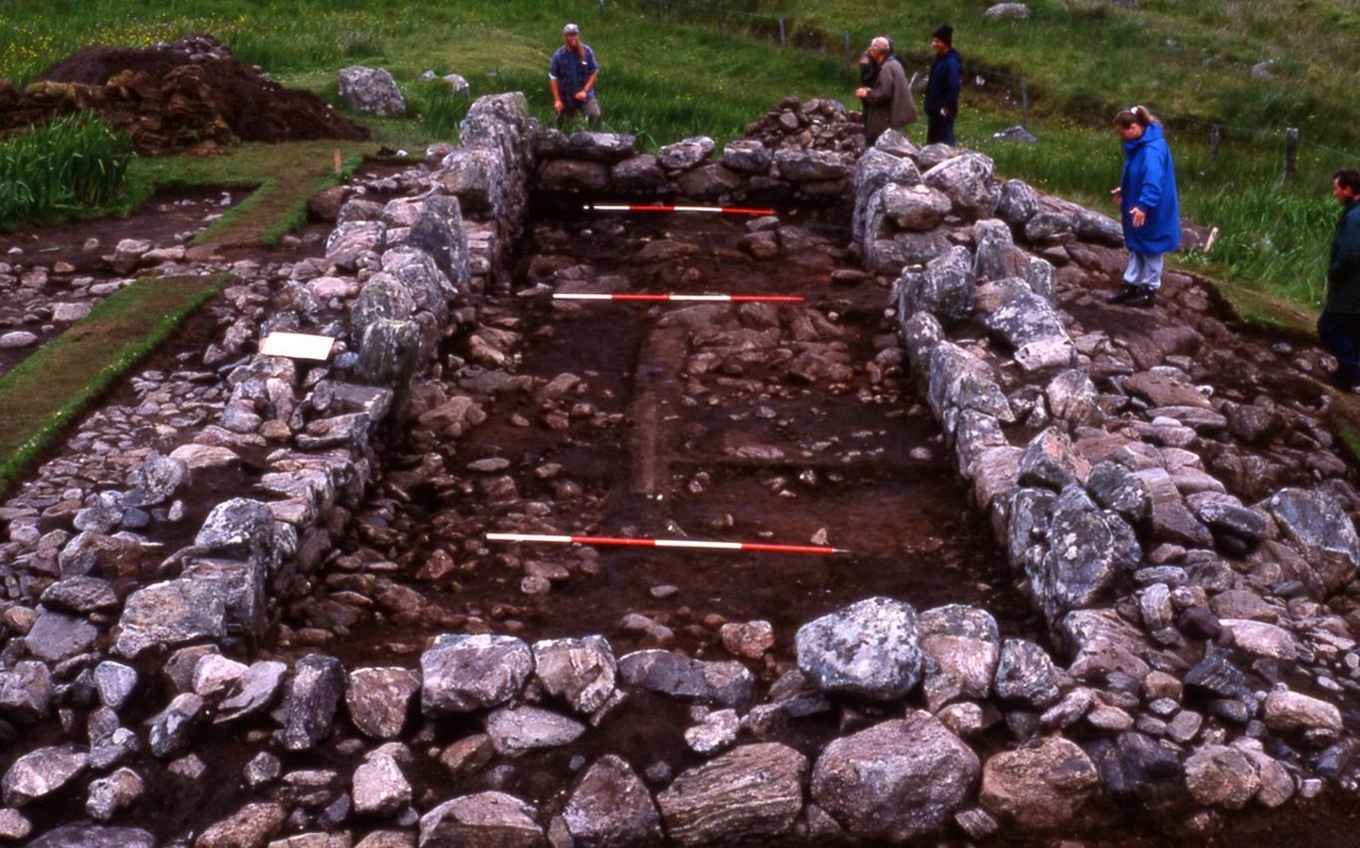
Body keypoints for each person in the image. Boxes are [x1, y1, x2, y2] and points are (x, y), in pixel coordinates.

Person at [1107, 105, 1181, 308]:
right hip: (1138, 203)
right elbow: (1137, 173)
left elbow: (1153, 182)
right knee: (1137, 246)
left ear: (1133, 127)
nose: (1122, 137)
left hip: (1152, 208)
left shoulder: (1151, 150)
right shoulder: (1140, 145)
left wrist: (1143, 206)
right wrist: (1124, 189)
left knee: (1152, 247)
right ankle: (1131, 284)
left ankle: (1149, 290)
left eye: (1123, 132)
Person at [1319, 169, 1360, 390]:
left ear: (1349, 190)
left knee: (1328, 327)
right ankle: (1346, 378)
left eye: (1337, 188)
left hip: (1351, 286)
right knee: (1353, 330)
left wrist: (1334, 272)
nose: (1335, 193)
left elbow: (1351, 253)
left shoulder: (1355, 217)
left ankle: (1354, 372)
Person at [855, 36, 915, 146]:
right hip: (896, 116)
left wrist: (867, 93)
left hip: (886, 119)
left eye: (872, 49)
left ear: (877, 52)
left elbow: (884, 93)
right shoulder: (895, 63)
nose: (869, 51)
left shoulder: (886, 68)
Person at [549, 23, 601, 130]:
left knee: (594, 114)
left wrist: (585, 91)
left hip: (585, 95)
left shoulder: (587, 51)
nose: (573, 37)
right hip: (566, 97)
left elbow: (594, 72)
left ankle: (593, 137)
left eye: (575, 34)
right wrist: (557, 100)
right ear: (565, 36)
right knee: (561, 126)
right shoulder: (558, 55)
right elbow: (553, 78)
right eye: (570, 35)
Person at [924, 24, 961, 145]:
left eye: (937, 41)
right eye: (934, 41)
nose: (933, 44)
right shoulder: (939, 59)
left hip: (943, 110)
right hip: (934, 109)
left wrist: (946, 107)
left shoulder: (951, 62)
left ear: (945, 43)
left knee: (945, 140)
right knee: (933, 140)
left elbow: (953, 86)